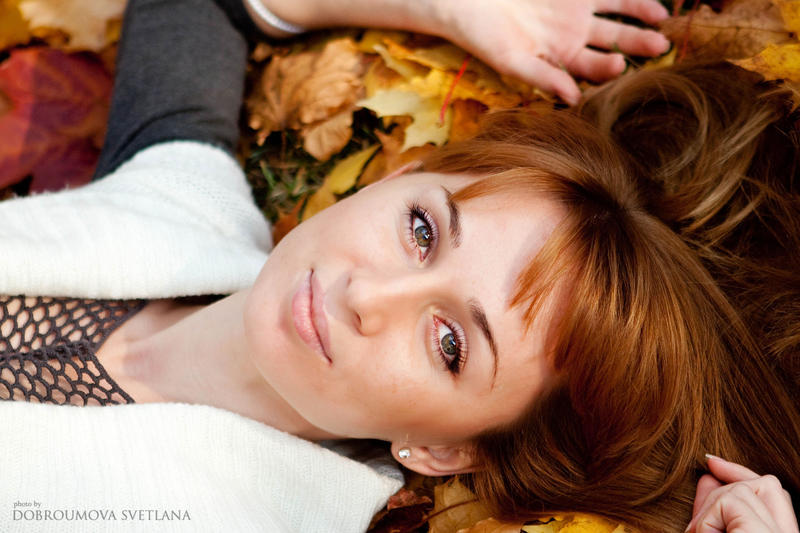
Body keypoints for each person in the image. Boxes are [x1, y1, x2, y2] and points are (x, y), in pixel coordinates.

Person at [0, 0, 798, 532]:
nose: (368, 294)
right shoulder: (184, 200)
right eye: (422, 229)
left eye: (450, 343)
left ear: (450, 450)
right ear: (398, 177)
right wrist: (448, 6)